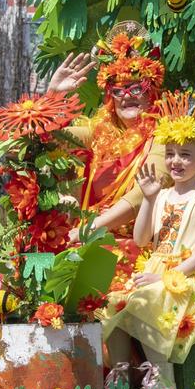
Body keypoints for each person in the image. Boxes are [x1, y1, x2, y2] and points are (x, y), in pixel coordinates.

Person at [99, 92, 195, 389]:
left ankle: (161, 385)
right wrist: (149, 198)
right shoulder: (163, 193)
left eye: (185, 154)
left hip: (189, 275)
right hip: (156, 272)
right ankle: (122, 381)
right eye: (170, 153)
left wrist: (165, 275)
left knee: (147, 301)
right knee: (114, 304)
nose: (176, 161)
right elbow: (141, 239)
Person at [47, 25, 173, 235]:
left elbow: (145, 190)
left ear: (151, 92)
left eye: (136, 88)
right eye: (118, 90)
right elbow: (47, 140)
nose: (126, 96)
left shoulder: (166, 134)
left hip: (138, 248)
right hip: (86, 242)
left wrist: (90, 229)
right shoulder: (97, 132)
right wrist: (53, 96)